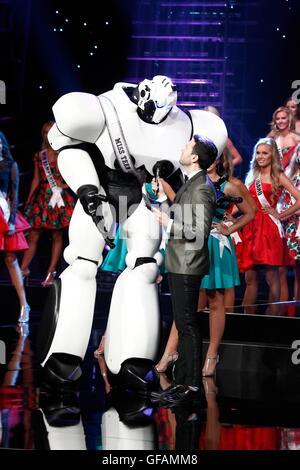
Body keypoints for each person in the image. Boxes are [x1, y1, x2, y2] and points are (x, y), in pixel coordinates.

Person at [37, 75, 227, 389]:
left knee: (144, 267)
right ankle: (63, 354)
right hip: (99, 188)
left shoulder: (185, 126)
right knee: (83, 262)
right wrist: (87, 188)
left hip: (136, 198)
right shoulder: (106, 108)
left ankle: (133, 358)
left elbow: (180, 187)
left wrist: (166, 194)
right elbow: (69, 149)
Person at [155, 152, 255, 378]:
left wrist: (229, 228)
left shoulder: (230, 185)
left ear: (217, 159)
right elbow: (178, 206)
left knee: (215, 300)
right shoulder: (193, 181)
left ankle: (211, 355)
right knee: (186, 302)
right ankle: (170, 352)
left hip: (213, 244)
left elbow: (251, 212)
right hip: (192, 241)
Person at [153, 135, 218, 394]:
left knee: (188, 324)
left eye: (187, 146)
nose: (182, 147)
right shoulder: (192, 183)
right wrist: (164, 205)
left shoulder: (201, 187)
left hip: (188, 263)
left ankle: (190, 385)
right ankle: (183, 382)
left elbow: (199, 231)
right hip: (180, 261)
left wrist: (167, 223)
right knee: (184, 322)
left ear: (195, 157)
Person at [242, 138, 300, 314]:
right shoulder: (252, 174)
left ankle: (271, 319)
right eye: (258, 153)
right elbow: (246, 201)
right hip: (251, 226)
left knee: (271, 277)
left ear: (272, 155)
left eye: (265, 153)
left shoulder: (278, 175)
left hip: (269, 229)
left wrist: (281, 214)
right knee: (250, 277)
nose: (260, 156)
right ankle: (247, 321)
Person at [21, 122, 75, 286]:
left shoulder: (64, 154)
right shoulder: (40, 155)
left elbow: (73, 176)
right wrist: (29, 201)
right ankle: (23, 269)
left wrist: (64, 186)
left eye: (50, 131)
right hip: (42, 197)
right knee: (33, 235)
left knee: (56, 236)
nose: (47, 134)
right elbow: (36, 179)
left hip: (59, 199)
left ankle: (51, 272)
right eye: (44, 132)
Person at [0, 131, 31, 323]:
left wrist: (11, 222)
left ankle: (24, 305)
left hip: (4, 213)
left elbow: (15, 193)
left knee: (10, 259)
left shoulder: (10, 165)